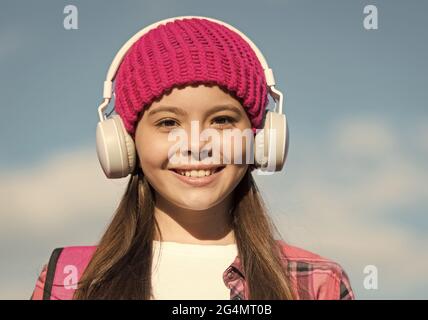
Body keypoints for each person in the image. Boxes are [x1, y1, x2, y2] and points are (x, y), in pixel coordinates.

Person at [31, 16, 355, 300]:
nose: (197, 144)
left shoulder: (317, 283)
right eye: (168, 123)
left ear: (260, 139)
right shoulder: (69, 281)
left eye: (223, 120)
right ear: (126, 143)